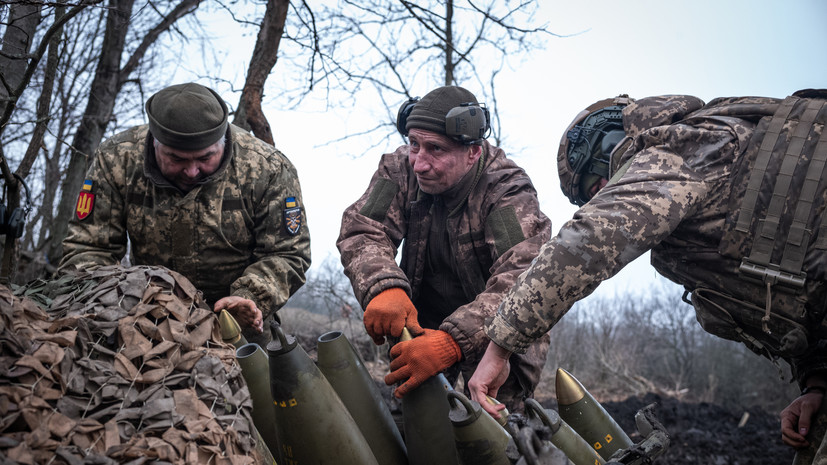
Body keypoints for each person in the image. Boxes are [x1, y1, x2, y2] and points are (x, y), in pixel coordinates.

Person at [467, 91, 827, 462]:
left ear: (610, 147)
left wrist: (500, 345)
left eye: (597, 185)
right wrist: (817, 382)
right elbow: (800, 300)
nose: (607, 196)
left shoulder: (683, 146)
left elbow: (588, 241)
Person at [337, 85, 552, 410]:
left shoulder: (505, 195)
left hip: (498, 336)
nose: (419, 163)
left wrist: (454, 342)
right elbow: (363, 227)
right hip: (423, 323)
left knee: (493, 434)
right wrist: (383, 287)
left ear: (473, 152)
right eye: (414, 144)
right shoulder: (401, 171)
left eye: (435, 149)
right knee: (415, 425)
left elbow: (523, 279)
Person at [59, 82, 311, 346]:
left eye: (205, 158)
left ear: (223, 140)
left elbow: (287, 253)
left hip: (240, 327)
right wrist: (120, 304)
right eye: (177, 159)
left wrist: (250, 296)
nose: (192, 171)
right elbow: (87, 247)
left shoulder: (267, 168)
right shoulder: (117, 159)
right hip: (142, 321)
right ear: (155, 143)